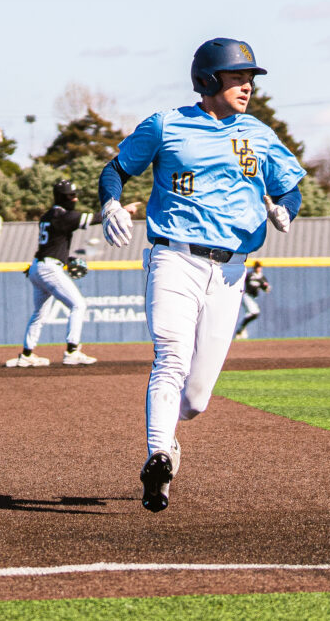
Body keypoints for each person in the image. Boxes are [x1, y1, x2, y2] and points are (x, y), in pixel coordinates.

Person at [98, 37, 306, 512]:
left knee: (196, 400)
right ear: (209, 80)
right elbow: (115, 170)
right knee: (170, 356)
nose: (247, 86)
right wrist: (110, 201)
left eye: (250, 78)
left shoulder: (259, 134)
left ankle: (169, 444)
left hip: (232, 271)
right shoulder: (166, 125)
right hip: (174, 256)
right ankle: (156, 456)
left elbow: (289, 189)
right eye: (237, 77)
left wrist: (287, 212)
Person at [6, 180, 112, 368]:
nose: (75, 198)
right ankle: (72, 351)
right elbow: (95, 218)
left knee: (40, 313)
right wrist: (119, 211)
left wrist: (66, 259)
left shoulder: (48, 215)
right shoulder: (64, 216)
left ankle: (27, 354)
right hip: (48, 269)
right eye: (71, 195)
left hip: (38, 266)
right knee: (78, 305)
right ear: (62, 197)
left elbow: (54, 243)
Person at [235, 260, 270, 339]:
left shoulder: (262, 277)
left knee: (251, 314)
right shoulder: (250, 275)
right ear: (254, 268)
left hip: (253, 298)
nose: (258, 268)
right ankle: (241, 329)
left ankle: (241, 330)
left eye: (259, 267)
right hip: (247, 296)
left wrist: (266, 288)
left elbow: (266, 288)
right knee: (254, 312)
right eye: (257, 267)